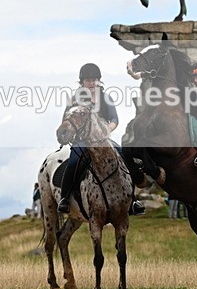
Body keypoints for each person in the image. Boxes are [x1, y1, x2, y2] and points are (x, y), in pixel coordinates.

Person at [58, 63, 145, 216]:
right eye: (88, 80)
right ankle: (65, 198)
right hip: (82, 140)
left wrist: (105, 131)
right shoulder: (74, 99)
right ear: (82, 82)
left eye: (94, 80)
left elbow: (114, 119)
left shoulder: (106, 98)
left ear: (99, 81)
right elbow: (66, 120)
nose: (91, 83)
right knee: (73, 162)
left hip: (103, 140)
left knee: (123, 156)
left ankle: (133, 199)